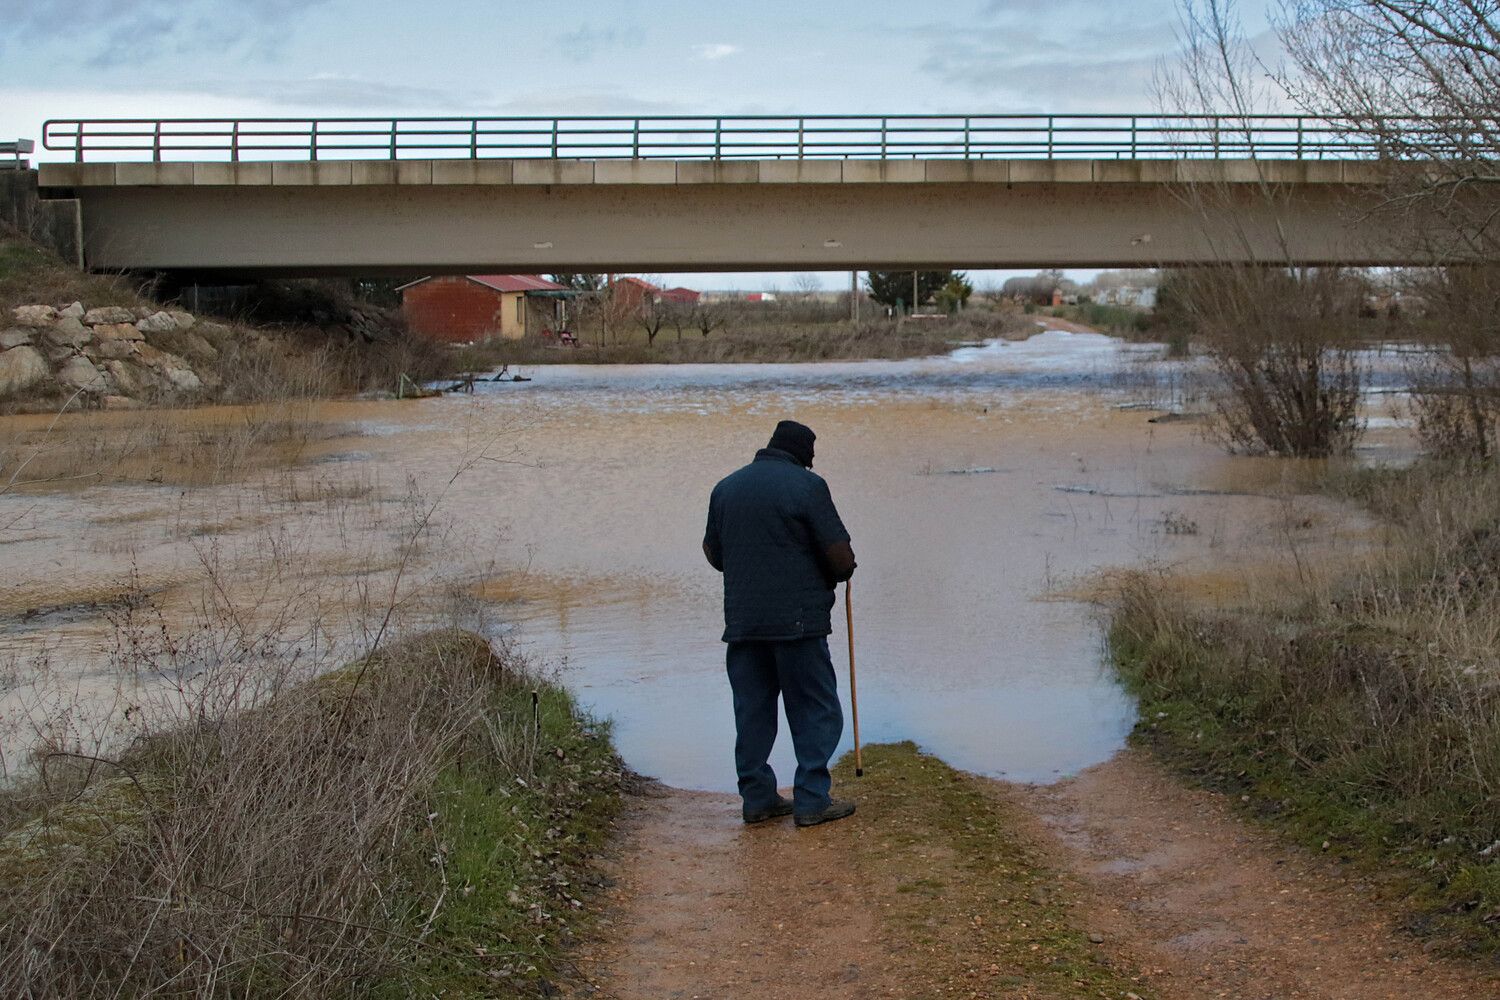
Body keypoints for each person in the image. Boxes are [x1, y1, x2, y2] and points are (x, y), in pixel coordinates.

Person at [702, 420, 858, 828]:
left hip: (743, 623)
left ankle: (758, 799)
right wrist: (844, 570)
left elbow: (713, 553)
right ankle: (811, 800)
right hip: (799, 624)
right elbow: (839, 557)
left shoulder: (726, 488)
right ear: (803, 453)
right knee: (815, 709)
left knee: (752, 711)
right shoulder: (808, 486)